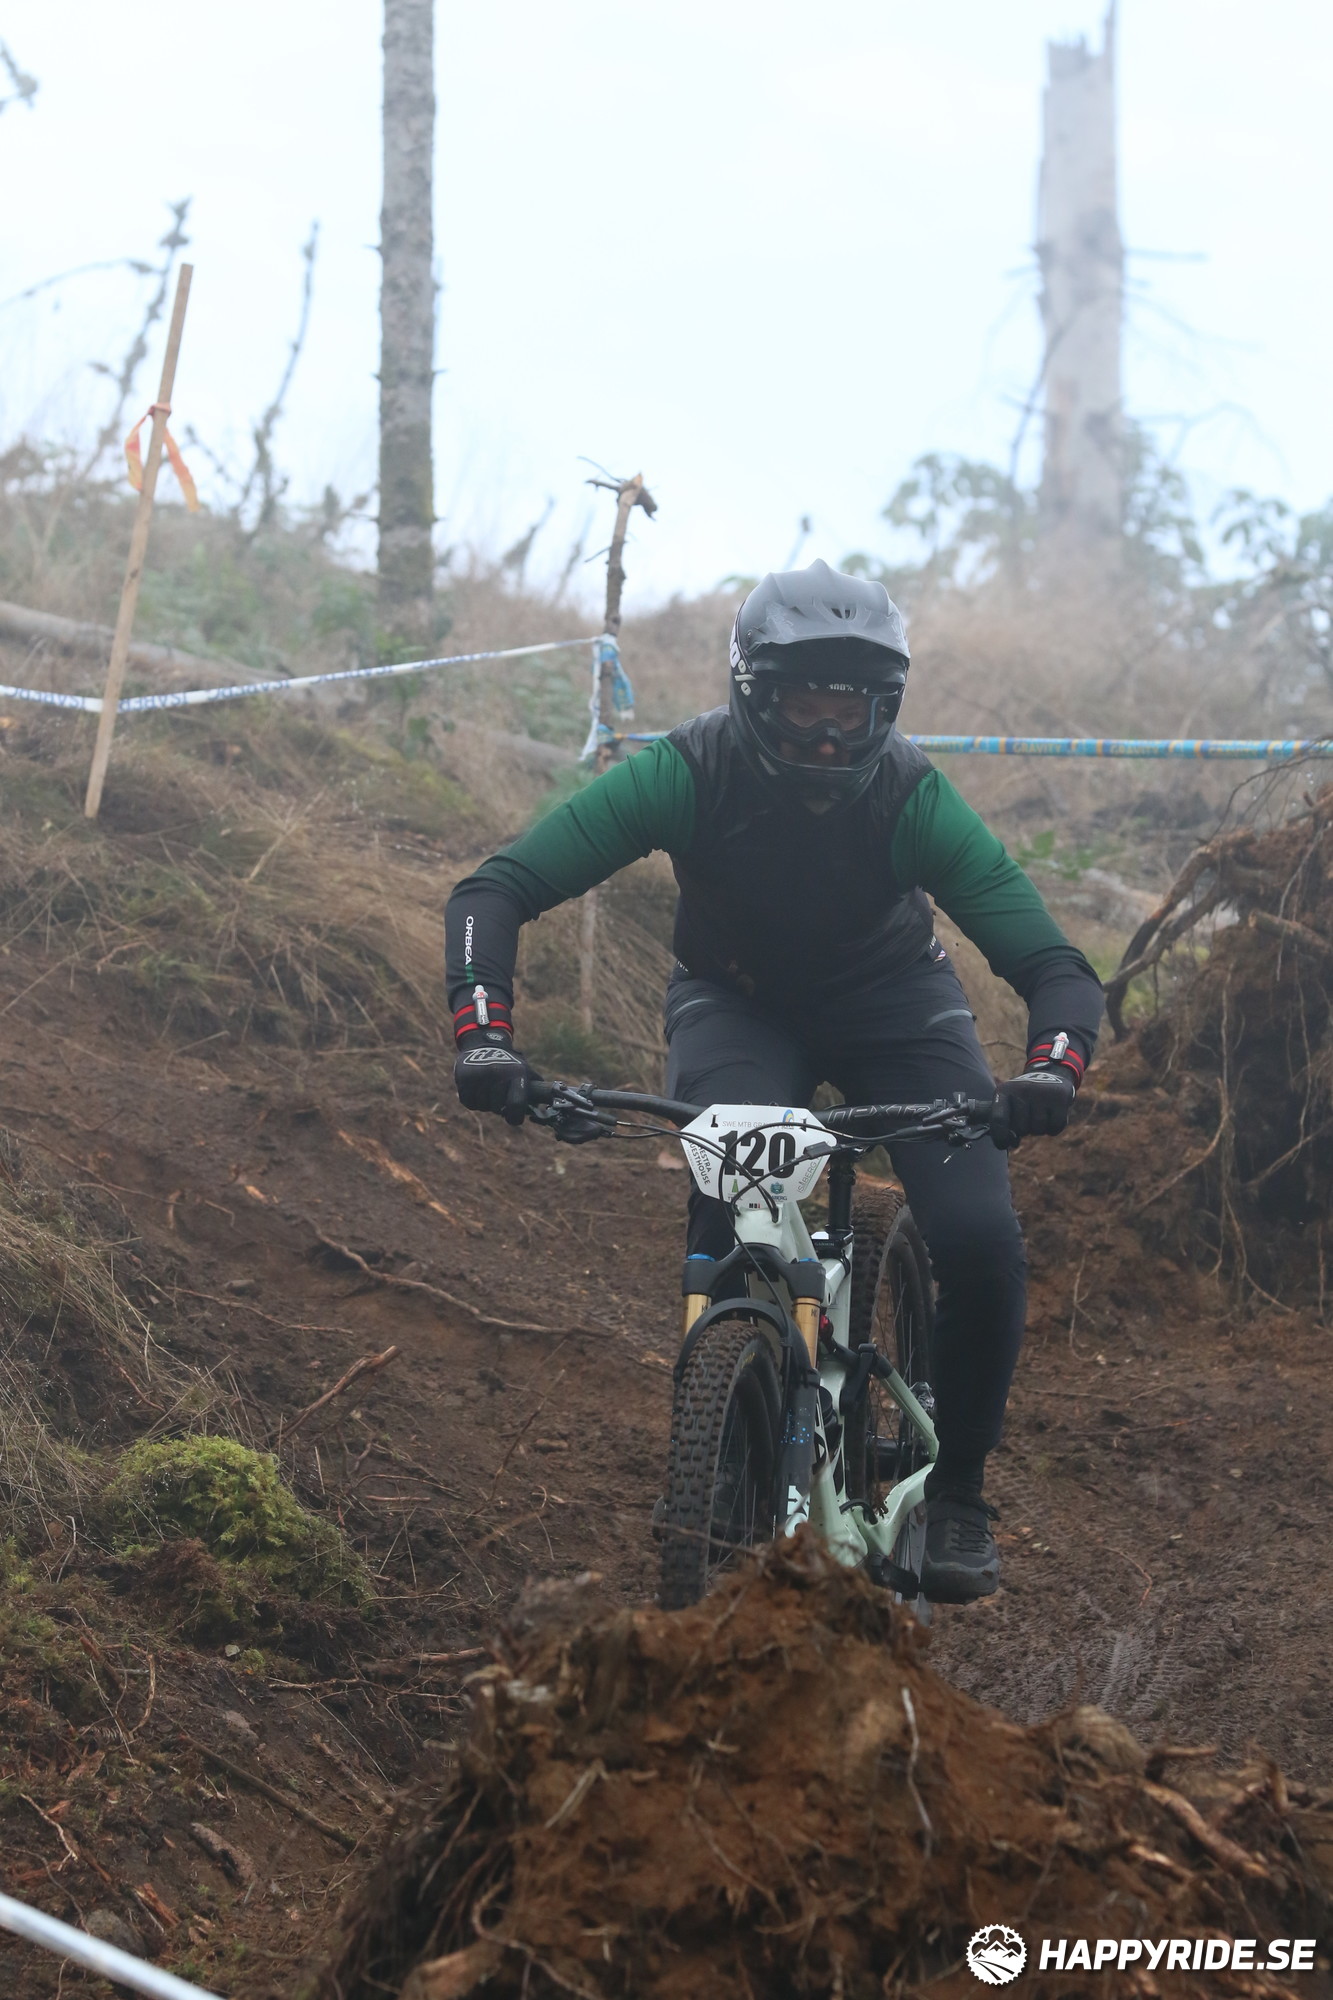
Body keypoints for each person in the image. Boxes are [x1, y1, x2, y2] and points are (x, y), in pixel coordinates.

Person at [445, 559, 1103, 1602]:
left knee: (979, 1239)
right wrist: (484, 1038)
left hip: (898, 1005)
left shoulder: (911, 797)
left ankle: (960, 1492)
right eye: (805, 707)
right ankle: (721, 1433)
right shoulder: (686, 771)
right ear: (753, 692)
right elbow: (499, 889)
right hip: (737, 1000)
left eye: (852, 710)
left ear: (886, 707)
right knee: (727, 1201)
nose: (829, 737)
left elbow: (1053, 966)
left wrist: (1051, 1068)